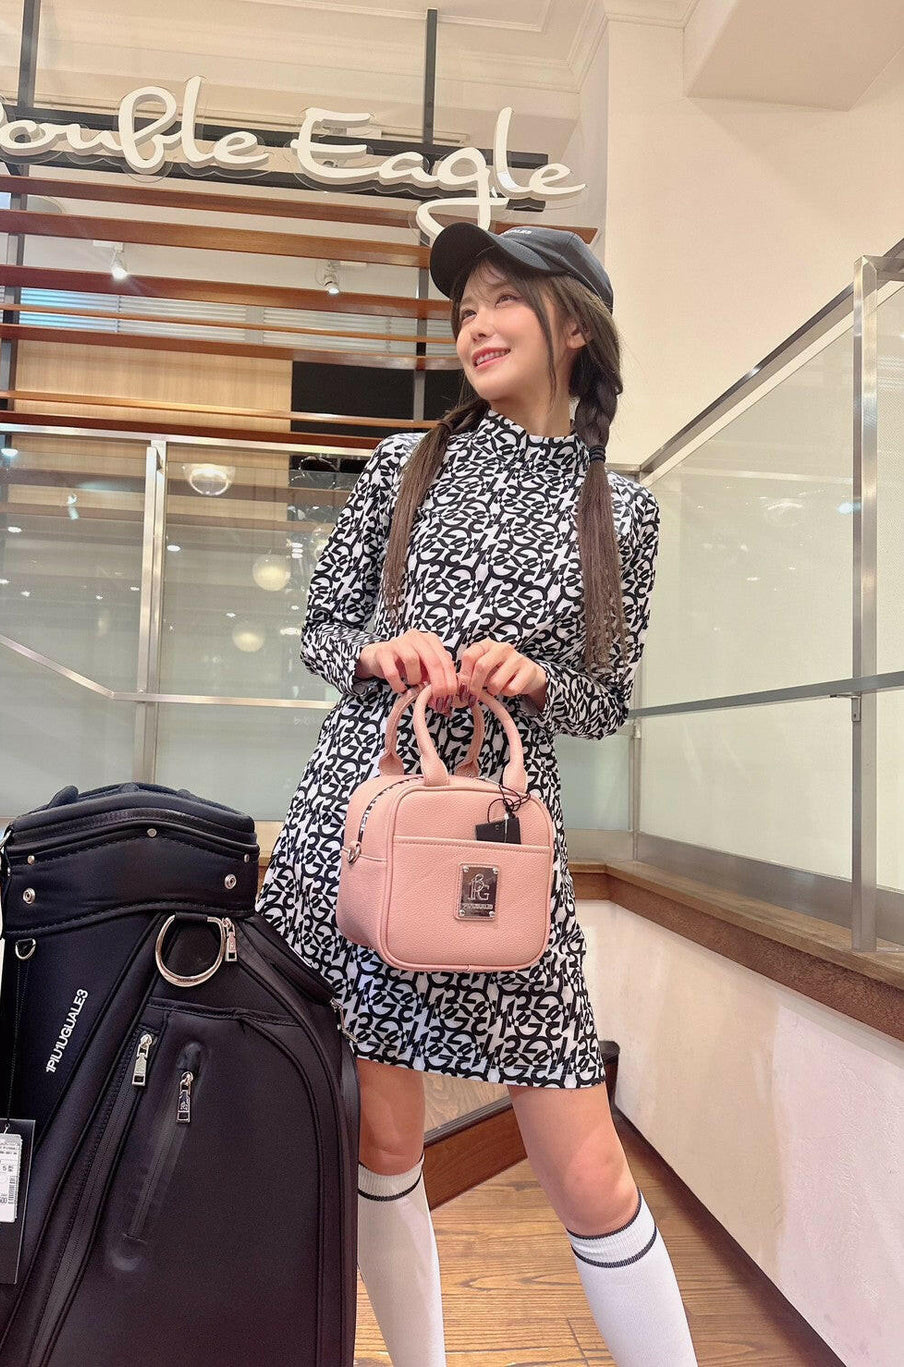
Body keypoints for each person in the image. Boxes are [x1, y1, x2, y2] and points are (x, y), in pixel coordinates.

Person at [255, 223, 697, 1366]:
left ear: (574, 325)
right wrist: (379, 649)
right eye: (464, 311)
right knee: (380, 1139)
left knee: (588, 1167)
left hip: (496, 845)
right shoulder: (404, 462)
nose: (476, 326)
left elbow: (603, 698)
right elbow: (321, 629)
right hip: (365, 818)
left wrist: (538, 676)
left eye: (502, 300)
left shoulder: (622, 507)